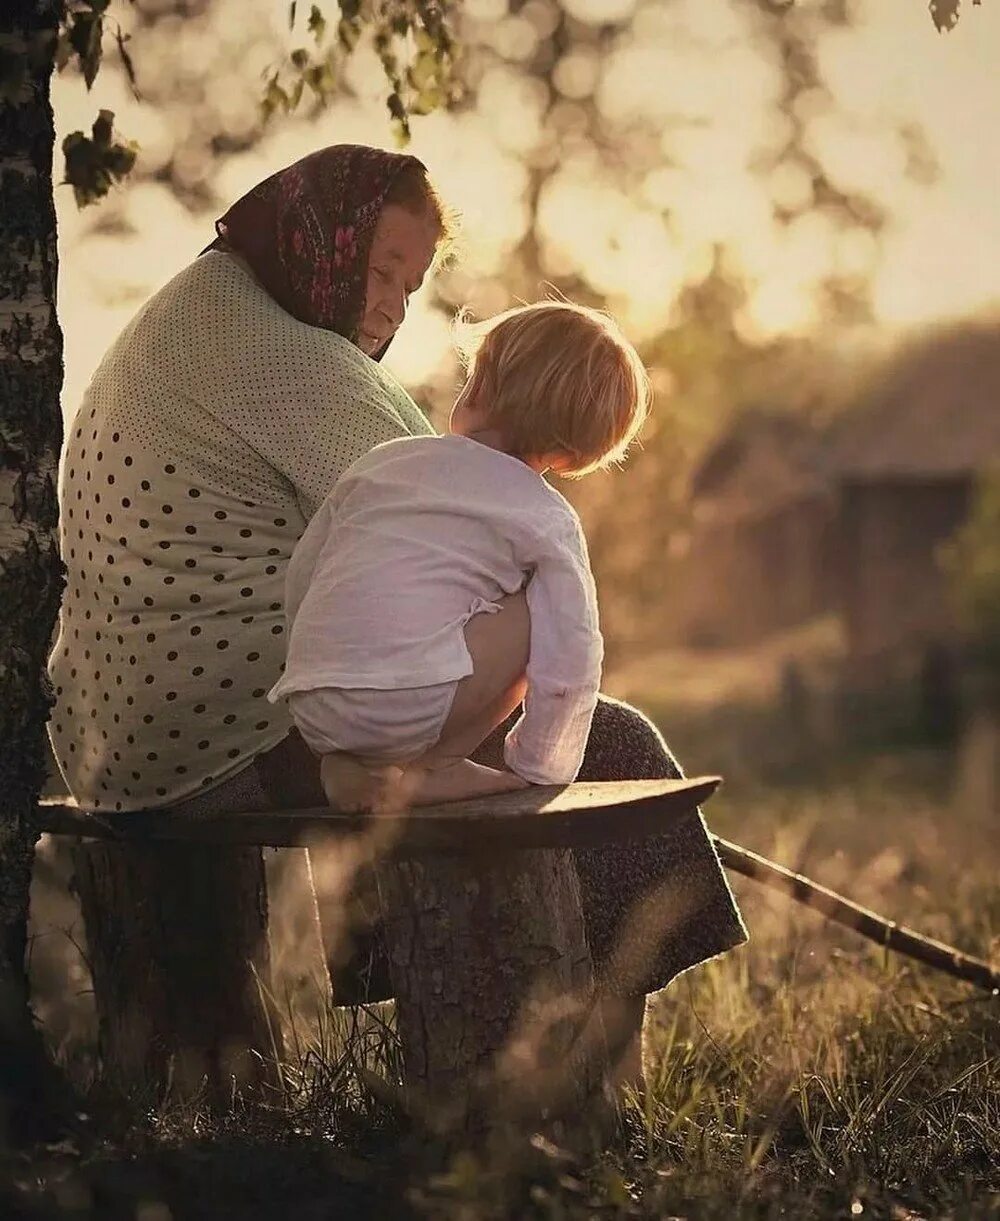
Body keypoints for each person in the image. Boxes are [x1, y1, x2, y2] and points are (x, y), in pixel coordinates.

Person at [48, 143, 745, 1093]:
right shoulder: (291, 363)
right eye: (381, 270)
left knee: (473, 713)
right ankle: (592, 1083)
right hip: (219, 743)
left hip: (117, 735)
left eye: (410, 287)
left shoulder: (202, 310)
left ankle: (548, 1049)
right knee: (608, 741)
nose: (389, 305)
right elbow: (471, 510)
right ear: (320, 238)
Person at [268, 300, 649, 815]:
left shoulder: (383, 463)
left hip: (313, 703)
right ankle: (435, 764)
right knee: (543, 612)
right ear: (571, 455)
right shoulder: (545, 516)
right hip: (407, 708)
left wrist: (314, 665)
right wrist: (542, 766)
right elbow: (572, 651)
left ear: (476, 388)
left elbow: (304, 574)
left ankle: (350, 766)